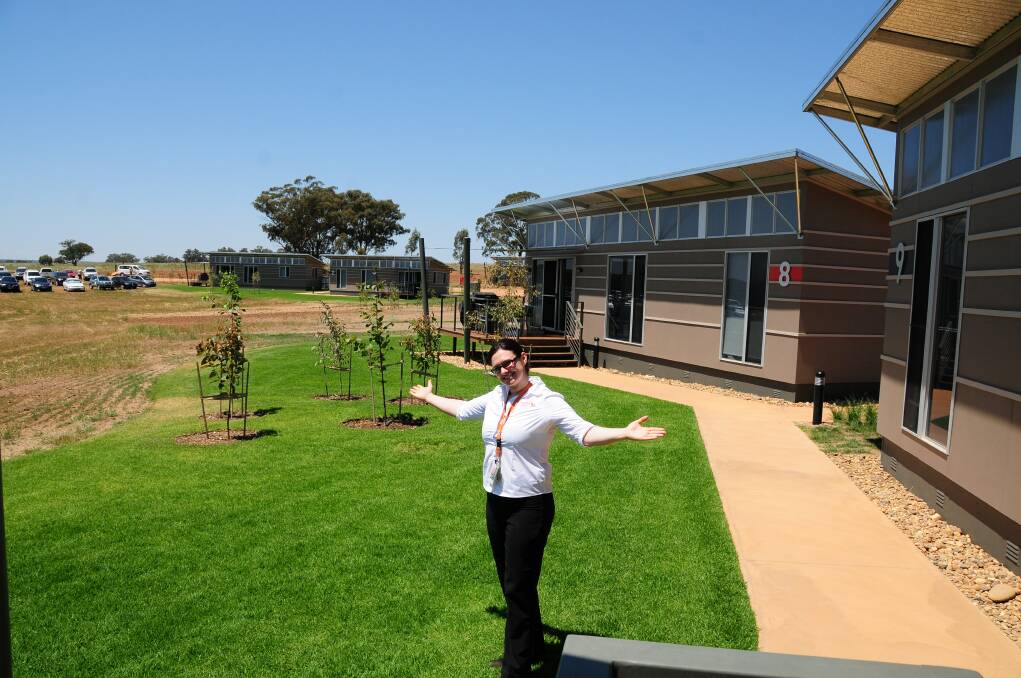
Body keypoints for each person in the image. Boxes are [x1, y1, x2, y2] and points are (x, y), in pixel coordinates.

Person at [410, 337, 665, 677]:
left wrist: (624, 432)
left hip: (530, 506)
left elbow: (584, 433)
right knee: (512, 581)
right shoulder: (497, 396)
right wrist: (429, 397)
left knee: (517, 585)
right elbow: (463, 409)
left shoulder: (547, 401)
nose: (504, 371)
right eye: (497, 367)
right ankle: (529, 646)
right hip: (496, 500)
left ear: (523, 358)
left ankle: (516, 669)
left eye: (509, 363)